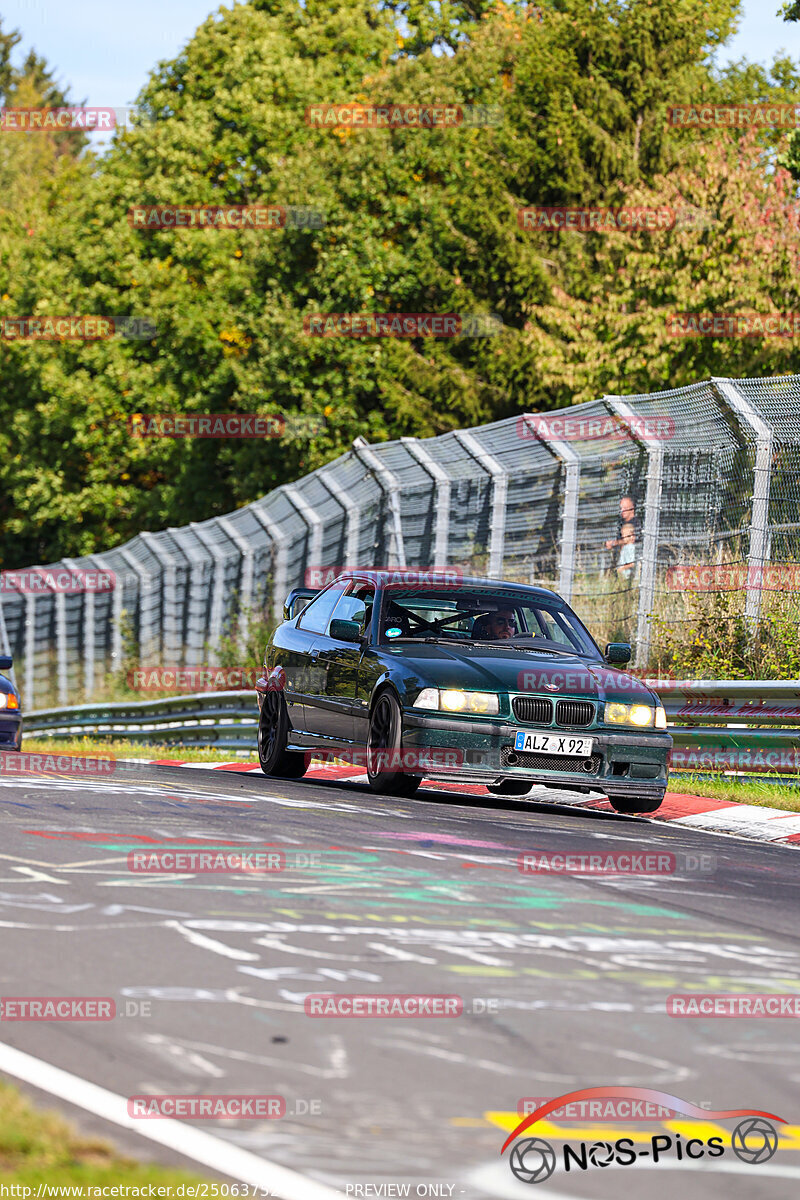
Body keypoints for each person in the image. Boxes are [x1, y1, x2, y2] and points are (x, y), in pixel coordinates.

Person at [605, 495, 638, 566]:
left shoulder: (637, 523)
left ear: (632, 508)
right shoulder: (620, 523)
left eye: (625, 508)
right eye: (621, 508)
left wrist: (614, 543)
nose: (622, 511)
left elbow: (632, 540)